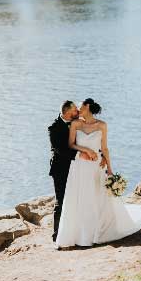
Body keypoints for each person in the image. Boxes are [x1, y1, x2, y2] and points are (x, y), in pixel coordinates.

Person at [55, 98, 141, 249]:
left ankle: (95, 233)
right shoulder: (75, 124)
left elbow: (105, 148)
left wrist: (110, 168)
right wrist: (86, 150)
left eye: (80, 105)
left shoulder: (102, 125)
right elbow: (71, 144)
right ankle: (80, 235)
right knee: (81, 198)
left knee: (96, 198)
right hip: (80, 166)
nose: (78, 108)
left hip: (96, 166)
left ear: (87, 106)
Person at [48, 100, 96, 242]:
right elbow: (58, 149)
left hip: (78, 169)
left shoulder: (79, 122)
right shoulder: (54, 128)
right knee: (61, 201)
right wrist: (78, 154)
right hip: (61, 169)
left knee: (78, 199)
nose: (78, 112)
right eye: (75, 110)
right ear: (68, 112)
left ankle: (76, 232)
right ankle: (57, 234)